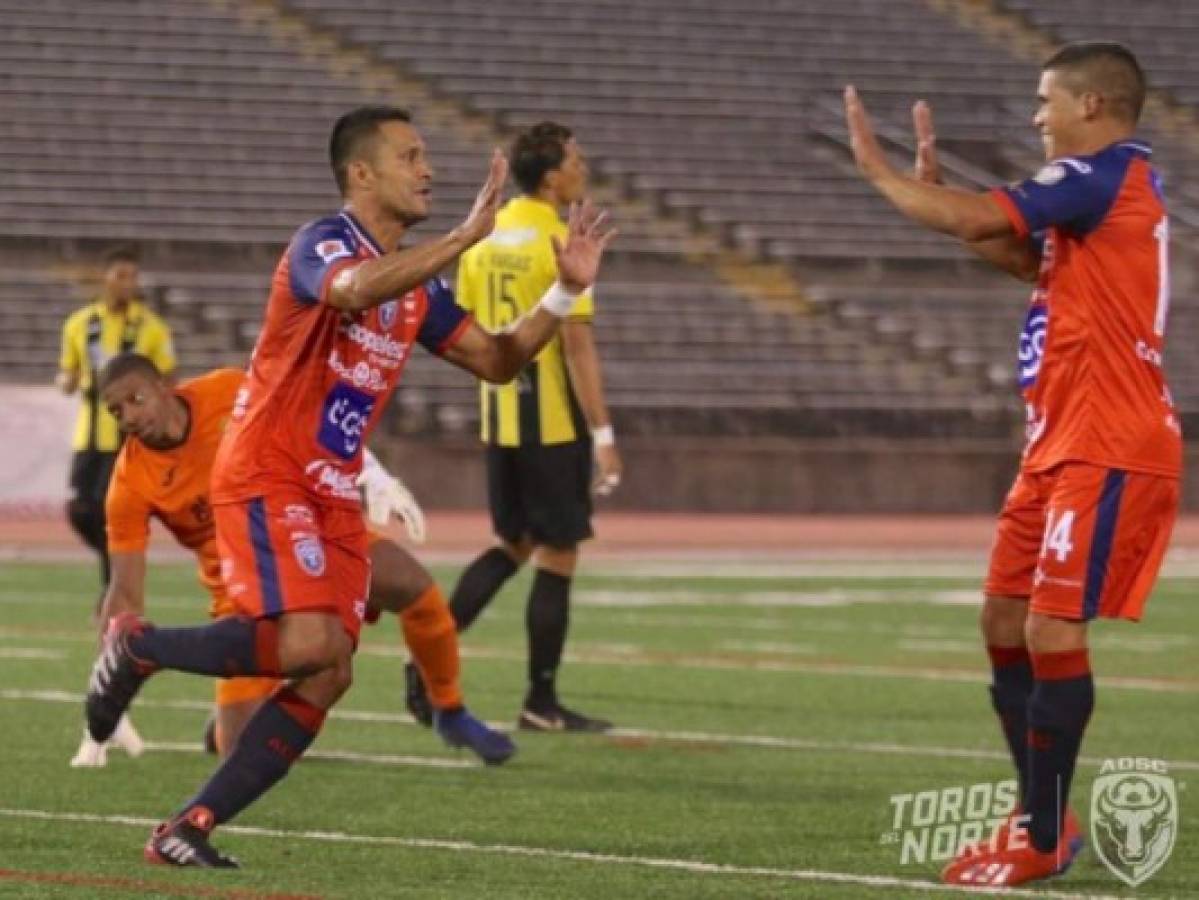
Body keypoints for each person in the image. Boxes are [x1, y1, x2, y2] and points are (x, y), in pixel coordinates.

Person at [84, 105, 615, 868]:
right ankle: (139, 648)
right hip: (270, 468)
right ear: (361, 173)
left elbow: (498, 362)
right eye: (411, 156)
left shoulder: (419, 288)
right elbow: (353, 291)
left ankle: (187, 827)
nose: (427, 170)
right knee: (310, 641)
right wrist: (463, 237)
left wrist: (561, 296)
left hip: (330, 486)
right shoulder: (322, 243)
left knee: (329, 669)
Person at [845, 42, 1180, 887]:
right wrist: (939, 200)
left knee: (1048, 627)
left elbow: (972, 218)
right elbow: (1018, 255)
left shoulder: (1101, 174)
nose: (1035, 116)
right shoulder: (1095, 201)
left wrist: (883, 176)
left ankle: (1041, 833)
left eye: (1045, 101)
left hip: (1109, 441)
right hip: (1056, 441)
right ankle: (1042, 813)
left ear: (1093, 106)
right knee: (1001, 619)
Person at [71, 354, 510, 768]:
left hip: (307, 534)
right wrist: (107, 690)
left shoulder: (226, 391)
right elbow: (125, 590)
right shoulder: (129, 482)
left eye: (136, 399)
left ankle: (448, 708)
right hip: (240, 587)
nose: (129, 417)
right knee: (242, 754)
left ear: (166, 385)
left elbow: (310, 417)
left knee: (415, 588)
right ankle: (231, 719)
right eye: (115, 412)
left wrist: (371, 473)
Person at [443, 122, 621, 733]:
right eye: (576, 159)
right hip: (551, 421)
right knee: (558, 554)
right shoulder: (556, 238)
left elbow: (466, 327)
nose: (584, 168)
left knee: (512, 544)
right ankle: (540, 701)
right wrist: (603, 434)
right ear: (551, 174)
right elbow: (576, 346)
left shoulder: (485, 239)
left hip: (501, 417)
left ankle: (427, 659)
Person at [57, 247, 176, 611]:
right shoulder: (80, 323)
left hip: (129, 437)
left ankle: (117, 583)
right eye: (121, 276)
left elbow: (168, 376)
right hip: (89, 435)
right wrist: (67, 380)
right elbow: (68, 371)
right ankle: (115, 567)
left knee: (113, 510)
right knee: (79, 509)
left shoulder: (152, 328)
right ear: (105, 278)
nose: (128, 284)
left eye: (133, 277)